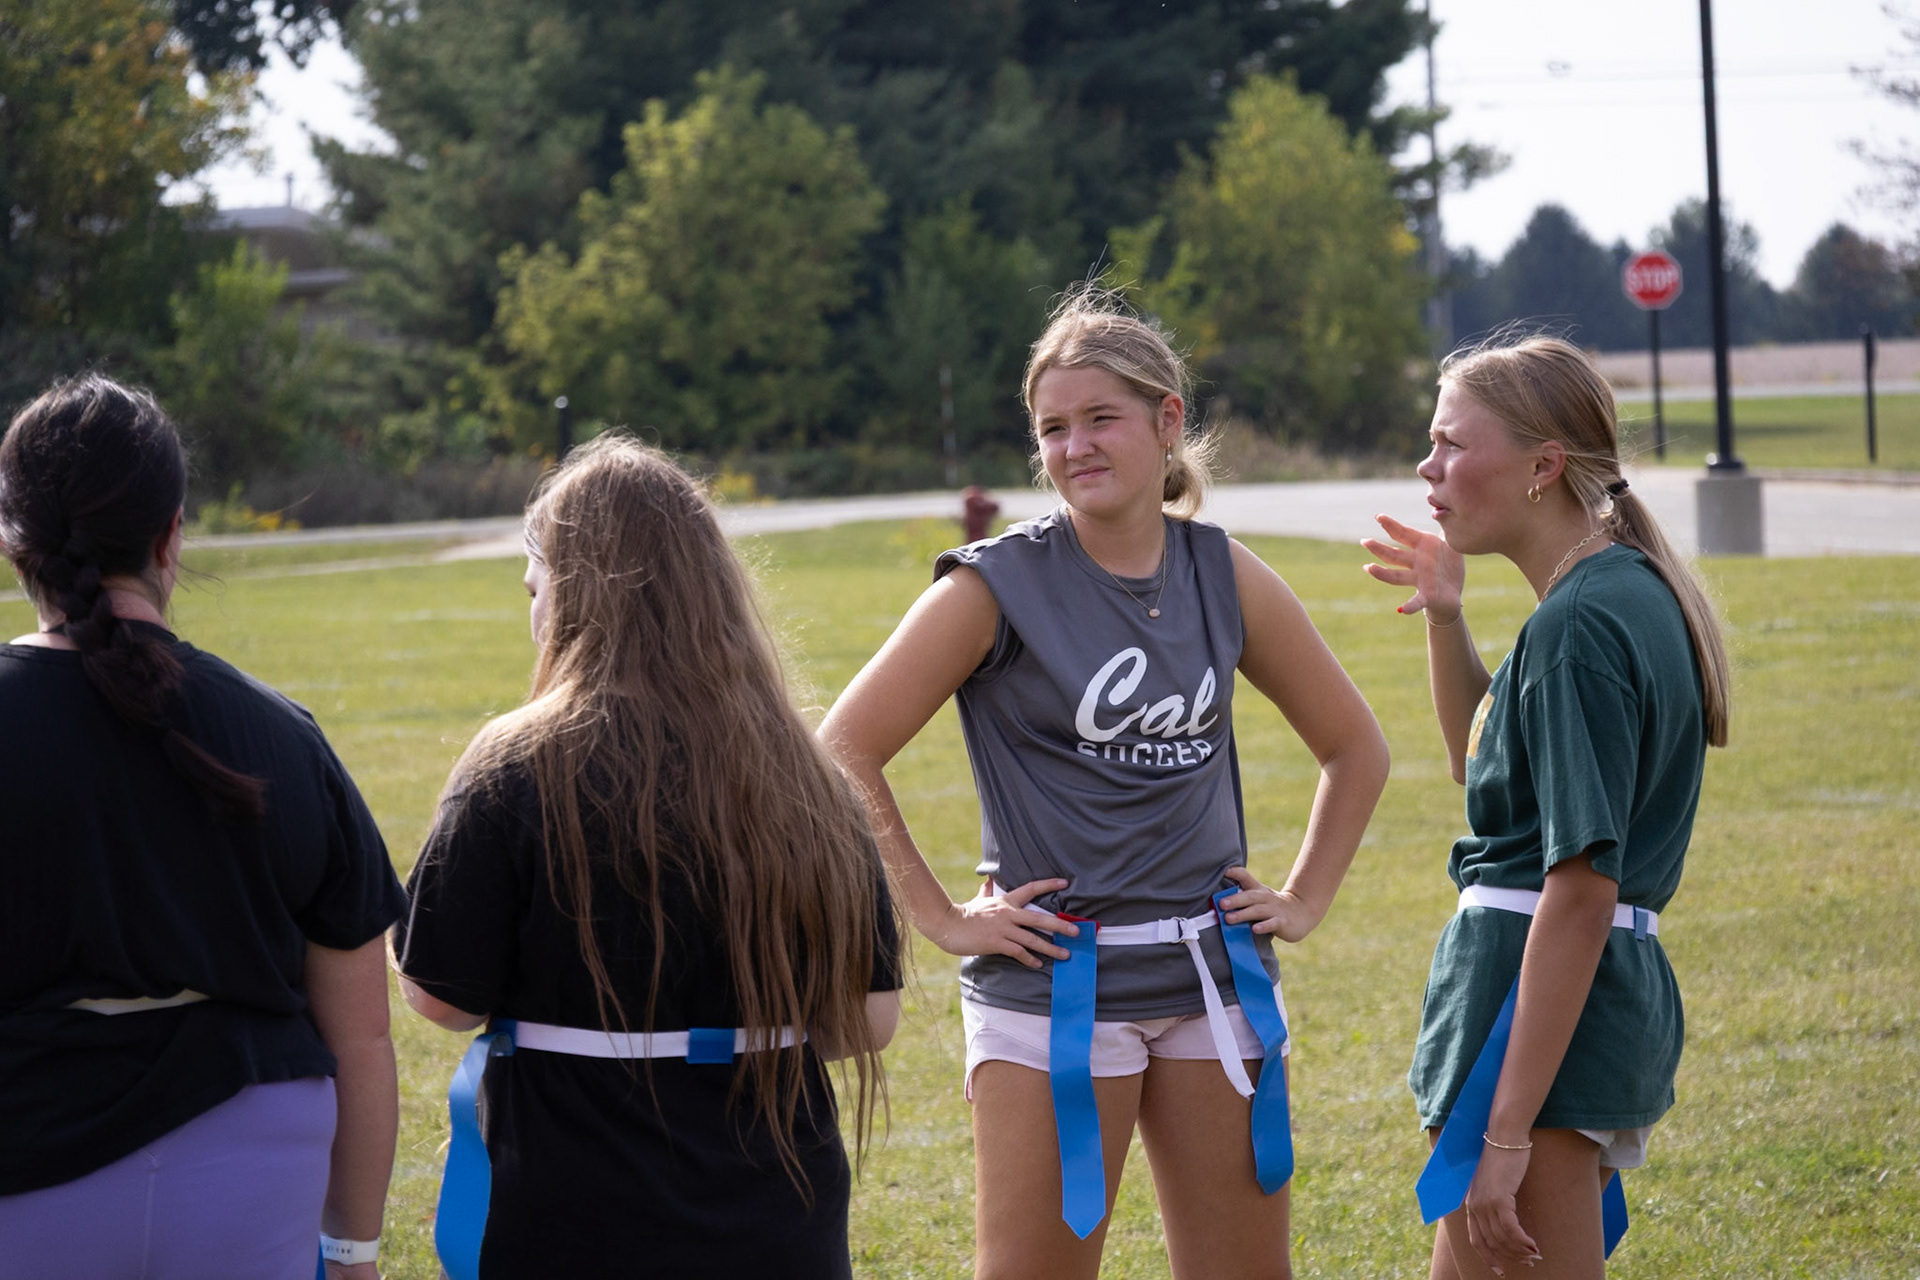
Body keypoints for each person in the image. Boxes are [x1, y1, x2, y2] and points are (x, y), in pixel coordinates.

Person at [820, 290, 1390, 1280]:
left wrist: (1302, 897)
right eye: (1052, 426)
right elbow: (840, 750)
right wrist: (942, 916)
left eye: (1100, 418)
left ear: (1168, 421)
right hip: (1054, 990)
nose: (1074, 445)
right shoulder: (992, 585)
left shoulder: (1224, 570)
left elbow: (1355, 746)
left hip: (1211, 981)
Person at [392, 436, 903, 1280]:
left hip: (577, 1220)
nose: (532, 615)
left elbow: (440, 997)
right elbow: (868, 1020)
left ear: (577, 593)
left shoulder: (515, 763)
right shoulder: (808, 771)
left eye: (535, 588)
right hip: (780, 1229)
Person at [0, 375, 405, 1279]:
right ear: (171, 534)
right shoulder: (283, 736)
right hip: (254, 1160)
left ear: (12, 541)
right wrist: (353, 1253)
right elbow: (362, 1038)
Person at [1362, 336, 1731, 1280]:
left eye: (1451, 443)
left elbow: (1579, 886)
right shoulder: (1608, 594)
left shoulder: (1580, 625)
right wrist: (1448, 617)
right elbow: (1474, 759)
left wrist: (1511, 1126)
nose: (1426, 466)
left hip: (1532, 1028)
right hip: (1551, 1014)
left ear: (1542, 467)